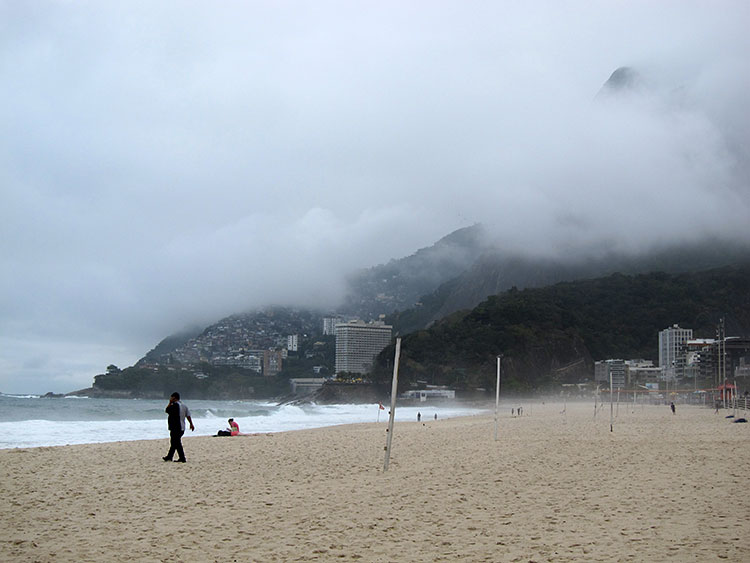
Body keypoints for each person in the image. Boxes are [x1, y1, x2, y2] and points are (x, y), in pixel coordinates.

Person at [163, 392, 194, 463]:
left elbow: (167, 410)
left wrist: (170, 402)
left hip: (175, 427)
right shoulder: (184, 406)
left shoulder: (174, 405)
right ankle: (169, 456)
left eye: (171, 397)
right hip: (182, 427)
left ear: (174, 398)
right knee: (174, 442)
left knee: (176, 442)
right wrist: (191, 424)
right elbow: (188, 416)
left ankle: (182, 458)